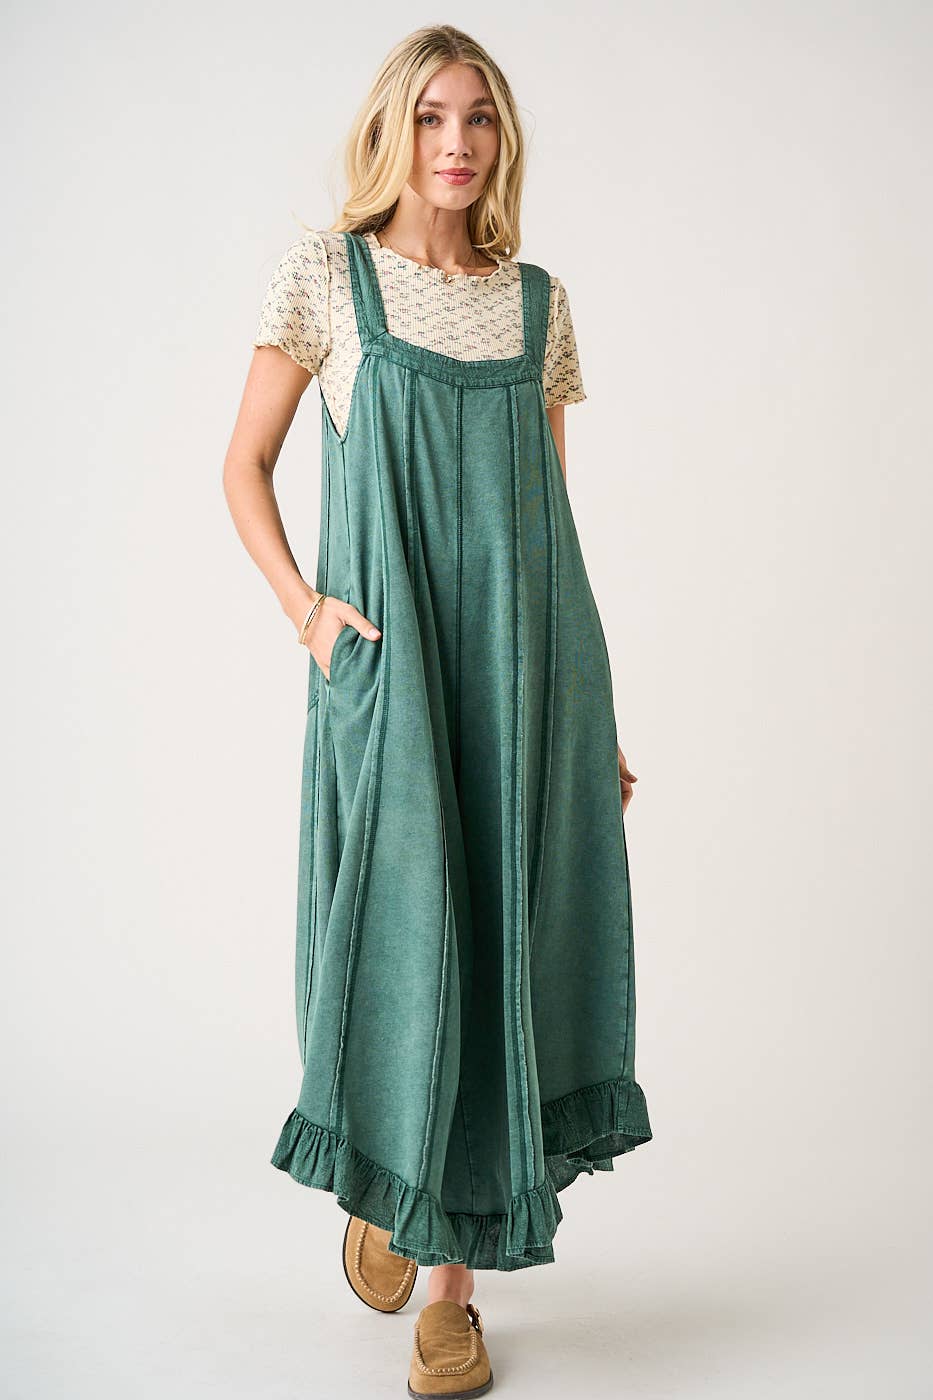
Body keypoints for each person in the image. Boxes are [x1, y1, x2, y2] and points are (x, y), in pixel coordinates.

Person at [223, 23, 652, 1396]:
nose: (454, 142)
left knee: (499, 948)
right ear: (391, 132)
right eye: (429, 116)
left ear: (501, 141)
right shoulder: (326, 277)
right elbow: (243, 464)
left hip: (524, 673)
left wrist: (590, 714)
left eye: (477, 119)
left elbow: (549, 519)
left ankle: (449, 1293)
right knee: (403, 937)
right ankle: (389, 1174)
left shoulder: (539, 304)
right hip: (394, 673)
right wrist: (307, 611)